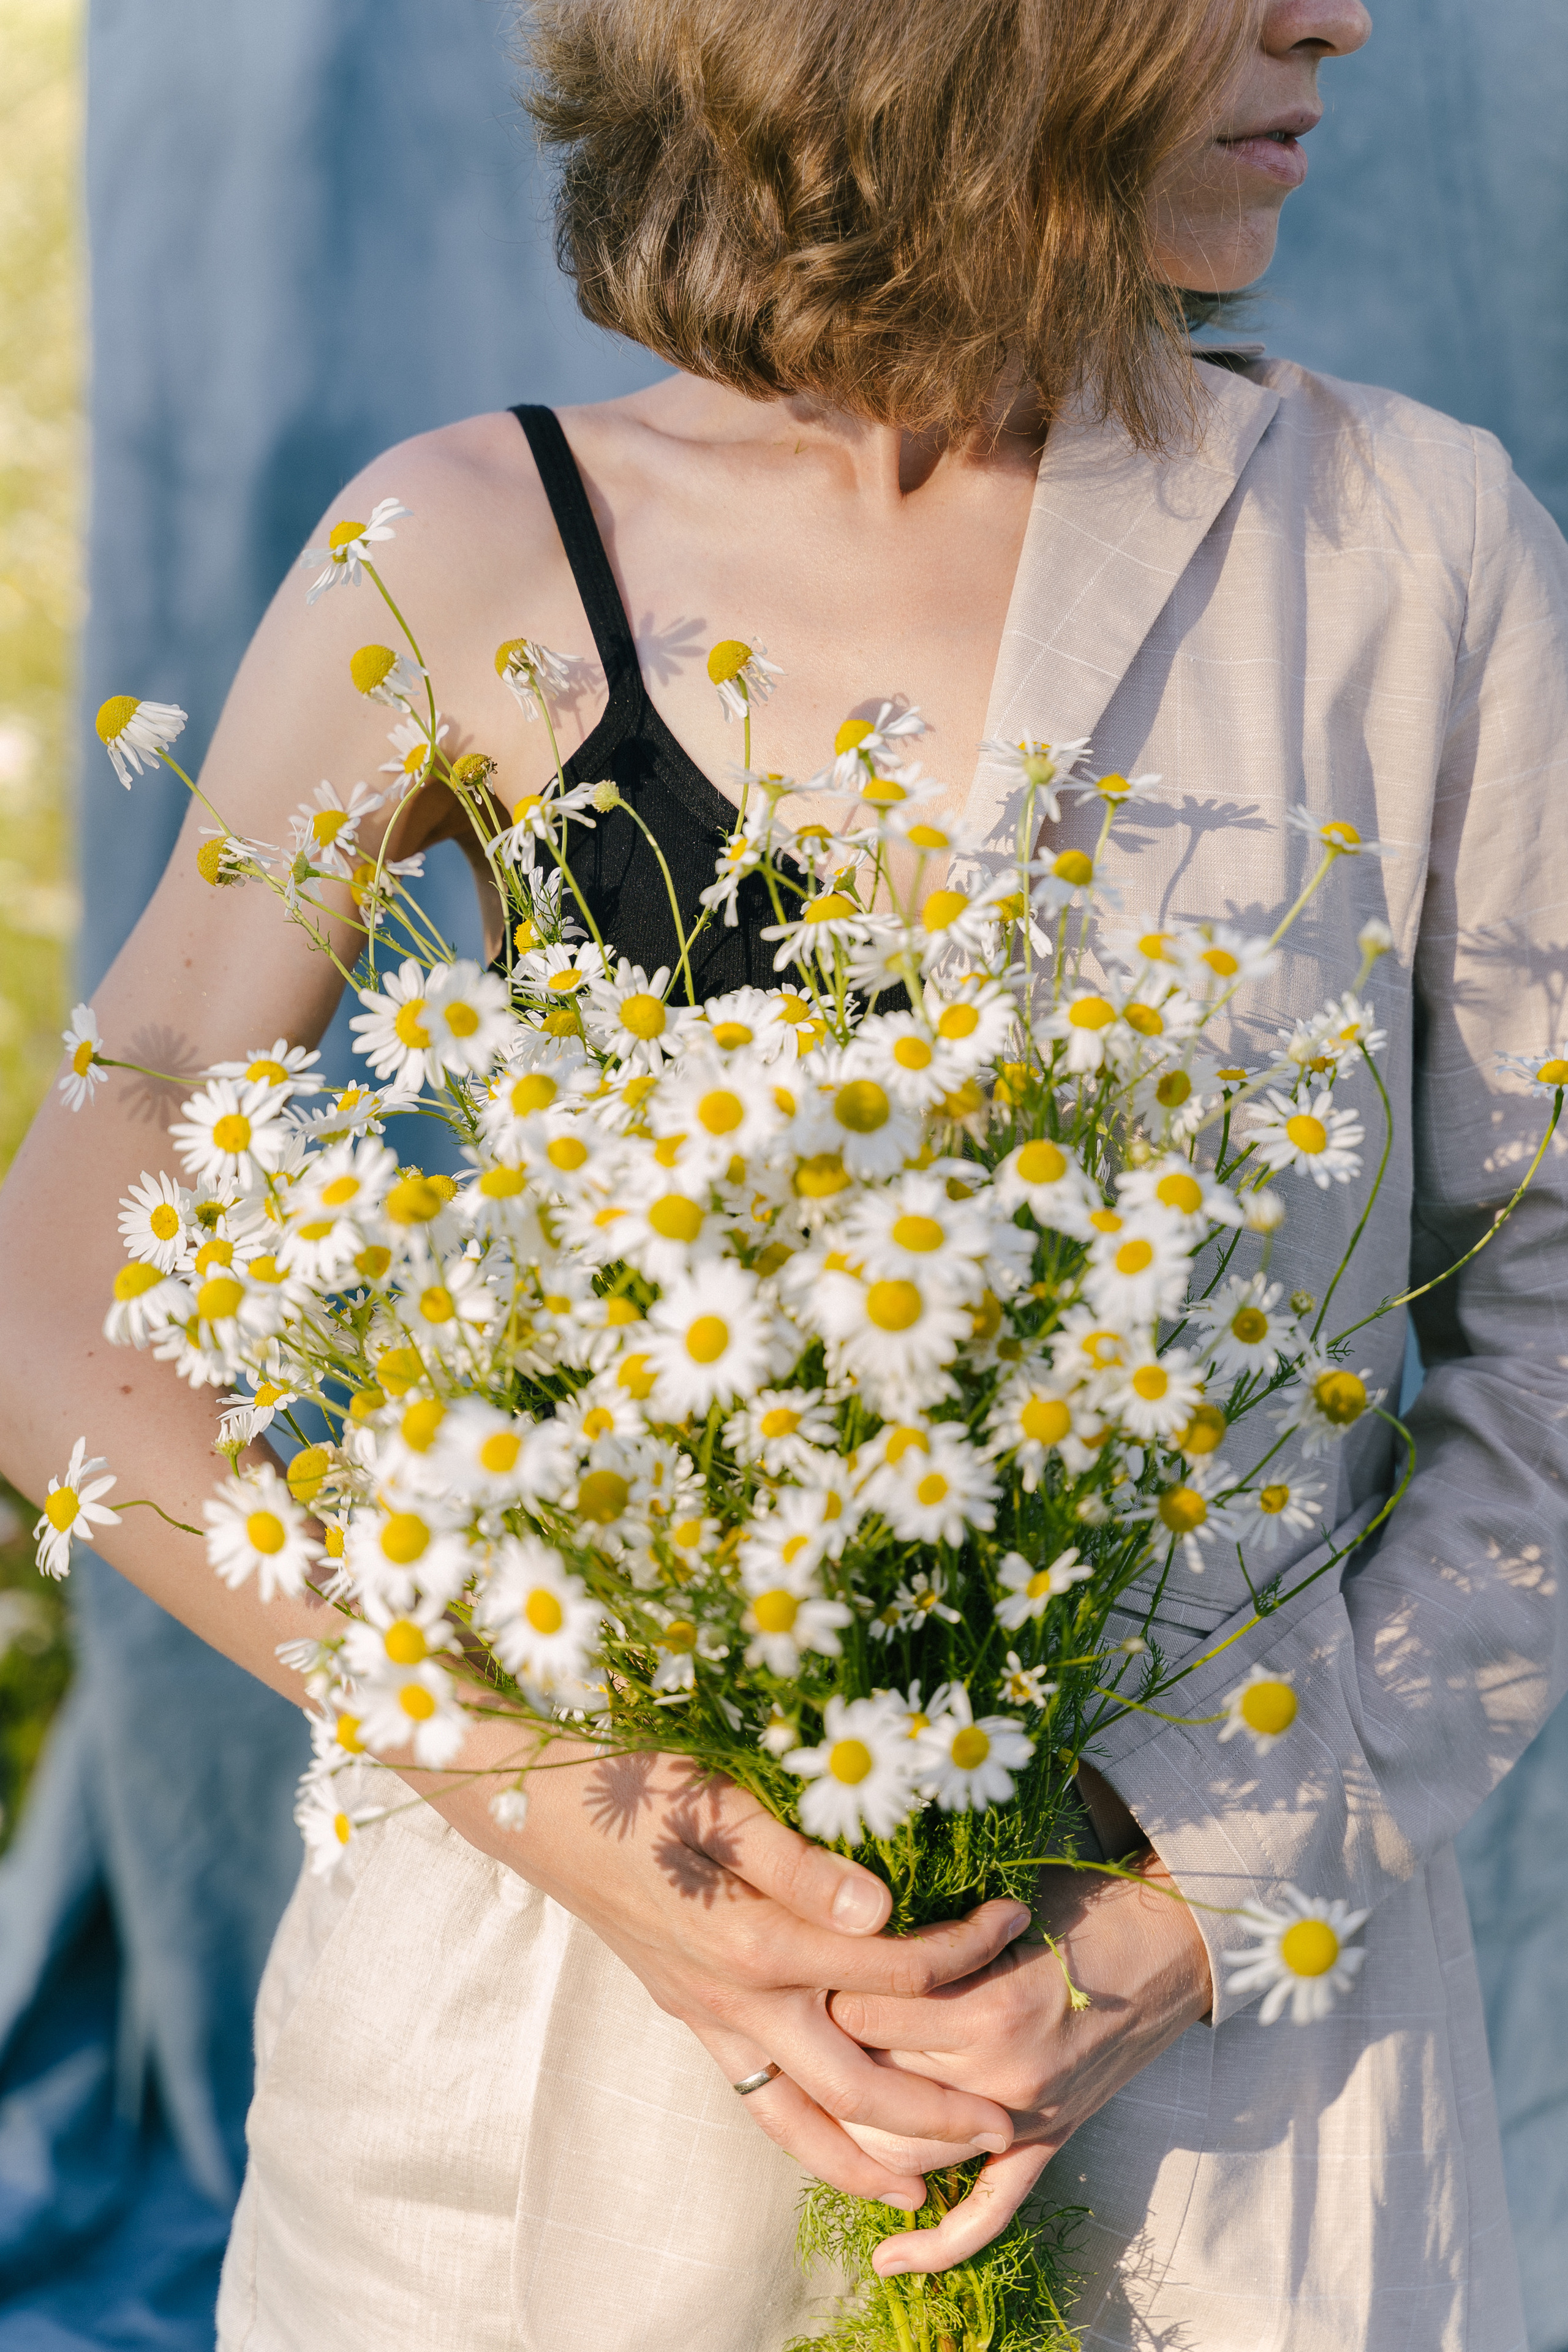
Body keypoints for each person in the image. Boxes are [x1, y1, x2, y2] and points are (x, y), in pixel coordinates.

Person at [2, 0, 1564, 2342]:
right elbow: (81, 1215)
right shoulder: (468, 548)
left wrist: (1177, 1909)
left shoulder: (1411, 552)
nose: (1336, 15)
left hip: (1230, 2120)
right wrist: (566, 1804)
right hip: (515, 2106)